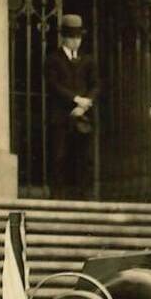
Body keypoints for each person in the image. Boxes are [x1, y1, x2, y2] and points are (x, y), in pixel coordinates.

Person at [47, 12, 96, 196]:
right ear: (63, 38)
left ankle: (85, 197)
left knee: (85, 158)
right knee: (60, 156)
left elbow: (96, 85)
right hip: (61, 116)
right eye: (71, 37)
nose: (76, 41)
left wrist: (84, 105)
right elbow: (54, 85)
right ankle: (57, 197)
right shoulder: (53, 59)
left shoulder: (88, 60)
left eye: (78, 37)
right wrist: (76, 100)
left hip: (82, 116)